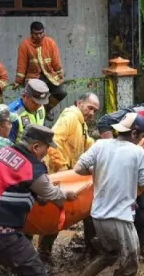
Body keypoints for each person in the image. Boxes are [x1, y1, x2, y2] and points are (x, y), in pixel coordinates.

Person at [0, 125, 78, 276]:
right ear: (35, 147)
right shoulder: (32, 168)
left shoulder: (1, 152)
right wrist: (67, 194)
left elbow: (11, 187)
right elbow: (55, 197)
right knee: (36, 273)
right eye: (46, 148)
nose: (47, 153)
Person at [96, 86, 144, 256]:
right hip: (123, 176)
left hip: (141, 177)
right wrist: (113, 149)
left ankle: (138, 250)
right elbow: (103, 121)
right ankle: (109, 250)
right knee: (121, 213)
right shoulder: (135, 114)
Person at [74, 112, 144, 276]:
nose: (140, 140)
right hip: (119, 218)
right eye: (141, 136)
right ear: (134, 133)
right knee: (130, 265)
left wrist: (98, 171)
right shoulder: (138, 152)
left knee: (109, 254)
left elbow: (79, 168)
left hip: (98, 215)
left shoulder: (101, 144)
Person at [37, 92, 101, 261]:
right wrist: (63, 168)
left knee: (87, 209)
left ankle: (91, 248)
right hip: (60, 175)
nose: (92, 113)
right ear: (80, 103)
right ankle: (43, 253)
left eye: (95, 110)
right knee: (55, 213)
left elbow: (89, 144)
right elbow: (53, 140)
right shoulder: (71, 116)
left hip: (72, 175)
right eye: (90, 108)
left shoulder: (82, 123)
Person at [13, 21, 66, 118]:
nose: (39, 36)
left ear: (44, 32)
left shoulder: (50, 43)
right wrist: (18, 81)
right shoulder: (24, 45)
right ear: (31, 34)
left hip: (50, 75)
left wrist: (60, 74)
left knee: (61, 93)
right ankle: (39, 114)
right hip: (33, 78)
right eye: (36, 34)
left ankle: (47, 108)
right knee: (37, 98)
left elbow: (56, 61)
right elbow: (21, 64)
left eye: (41, 33)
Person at [8, 78, 49, 143]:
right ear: (24, 96)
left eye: (41, 103)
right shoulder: (13, 115)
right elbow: (8, 145)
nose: (38, 107)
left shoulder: (40, 108)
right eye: (34, 102)